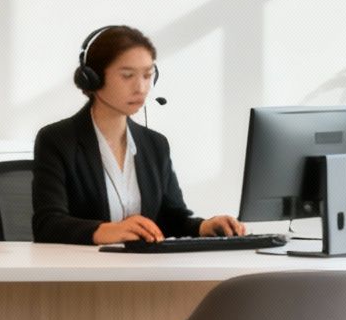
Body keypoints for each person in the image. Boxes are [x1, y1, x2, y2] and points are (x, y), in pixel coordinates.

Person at [31, 24, 245, 245]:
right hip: (83, 272)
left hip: (142, 270)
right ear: (92, 78)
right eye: (127, 76)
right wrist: (107, 231)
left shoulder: (155, 144)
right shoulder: (57, 140)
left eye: (147, 75)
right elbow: (47, 225)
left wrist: (203, 226)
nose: (141, 87)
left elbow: (170, 219)